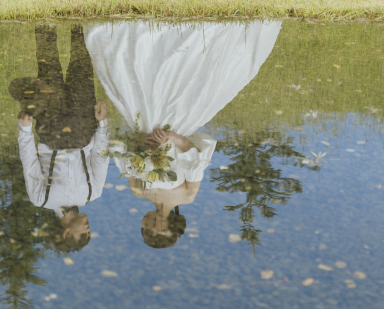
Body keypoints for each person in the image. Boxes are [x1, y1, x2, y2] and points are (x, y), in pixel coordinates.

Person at [84, 20, 283, 247]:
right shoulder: (187, 196)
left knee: (142, 81)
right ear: (162, 228)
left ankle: (148, 40)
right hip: (178, 128)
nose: (142, 224)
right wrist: (173, 138)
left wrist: (143, 141)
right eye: (145, 229)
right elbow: (196, 157)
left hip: (146, 127)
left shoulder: (138, 192)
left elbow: (125, 154)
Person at [11, 25, 110, 251]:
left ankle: (45, 20)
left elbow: (29, 163)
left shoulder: (42, 200)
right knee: (82, 67)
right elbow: (100, 156)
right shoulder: (93, 193)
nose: (88, 227)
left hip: (51, 131)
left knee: (48, 69)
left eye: (84, 232)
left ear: (66, 234)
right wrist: (102, 124)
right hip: (84, 128)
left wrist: (24, 129)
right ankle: (78, 22)